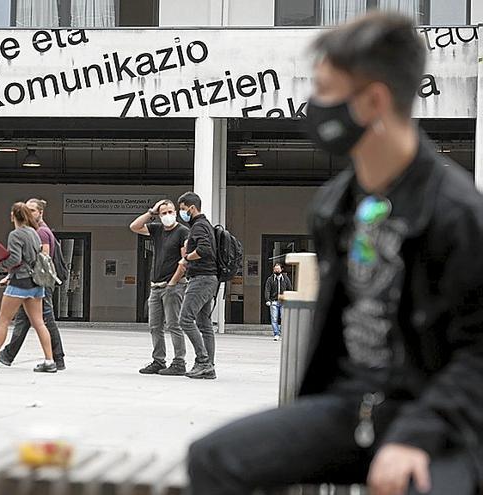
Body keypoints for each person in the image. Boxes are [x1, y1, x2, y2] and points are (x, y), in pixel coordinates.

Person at [188, 13, 483, 495]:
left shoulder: (458, 214)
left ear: (372, 101)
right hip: (355, 407)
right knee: (214, 459)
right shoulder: (334, 206)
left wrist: (419, 435)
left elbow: (478, 353)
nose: (313, 106)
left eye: (325, 91)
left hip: (446, 423)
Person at [0, 202, 57, 373]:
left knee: (3, 320)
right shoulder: (34, 232)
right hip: (36, 283)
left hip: (20, 283)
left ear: (13, 216)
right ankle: (49, 361)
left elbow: (15, 260)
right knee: (39, 323)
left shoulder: (15, 235)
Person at [0, 198, 66, 370]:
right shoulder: (38, 231)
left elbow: (42, 260)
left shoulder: (40, 232)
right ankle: (7, 355)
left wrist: (5, 267)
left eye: (33, 210)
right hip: (34, 281)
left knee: (45, 320)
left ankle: (57, 359)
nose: (29, 213)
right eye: (27, 210)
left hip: (36, 282)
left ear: (41, 213)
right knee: (25, 320)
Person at [130, 199, 191, 376]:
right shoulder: (157, 229)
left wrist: (173, 282)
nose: (167, 216)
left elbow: (184, 261)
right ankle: (158, 360)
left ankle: (179, 362)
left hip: (173, 286)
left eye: (170, 212)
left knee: (174, 324)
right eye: (163, 213)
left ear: (176, 213)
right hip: (156, 286)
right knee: (154, 326)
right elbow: (134, 226)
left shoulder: (182, 232)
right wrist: (151, 212)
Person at [176, 192, 219, 380]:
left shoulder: (199, 226)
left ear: (192, 208)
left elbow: (204, 250)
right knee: (204, 324)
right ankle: (208, 367)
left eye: (183, 209)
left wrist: (187, 257)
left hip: (201, 279)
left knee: (185, 319)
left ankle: (203, 362)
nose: (181, 213)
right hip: (209, 279)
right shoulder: (205, 225)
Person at [264, 263, 292, 341]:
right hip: (274, 301)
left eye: (278, 269)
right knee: (274, 318)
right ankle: (276, 334)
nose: (276, 270)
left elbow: (289, 288)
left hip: (283, 301)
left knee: (283, 318)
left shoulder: (285, 278)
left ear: (281, 269)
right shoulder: (270, 279)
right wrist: (267, 300)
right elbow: (267, 290)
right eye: (275, 269)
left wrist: (289, 299)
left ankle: (282, 333)